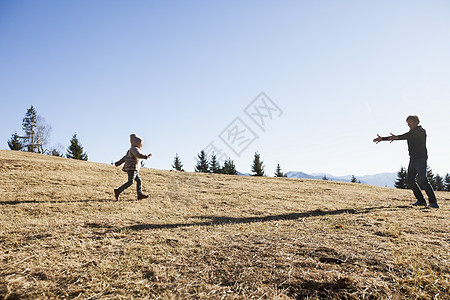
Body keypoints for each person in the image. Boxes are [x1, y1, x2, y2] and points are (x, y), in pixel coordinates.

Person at [373, 115, 439, 208]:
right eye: (407, 122)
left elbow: (405, 136)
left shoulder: (421, 131)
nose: (408, 124)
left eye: (410, 122)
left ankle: (433, 202)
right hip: (413, 159)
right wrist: (385, 138)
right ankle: (421, 201)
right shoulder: (411, 132)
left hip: (421, 158)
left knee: (423, 179)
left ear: (416, 122)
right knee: (410, 180)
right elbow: (405, 136)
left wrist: (392, 138)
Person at [114, 134, 152, 200]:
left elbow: (125, 158)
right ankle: (118, 191)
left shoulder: (130, 150)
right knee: (130, 182)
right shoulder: (135, 149)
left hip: (133, 168)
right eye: (141, 144)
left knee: (139, 180)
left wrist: (118, 163)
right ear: (137, 143)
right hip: (132, 168)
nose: (142, 145)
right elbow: (138, 155)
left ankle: (139, 194)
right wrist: (145, 156)